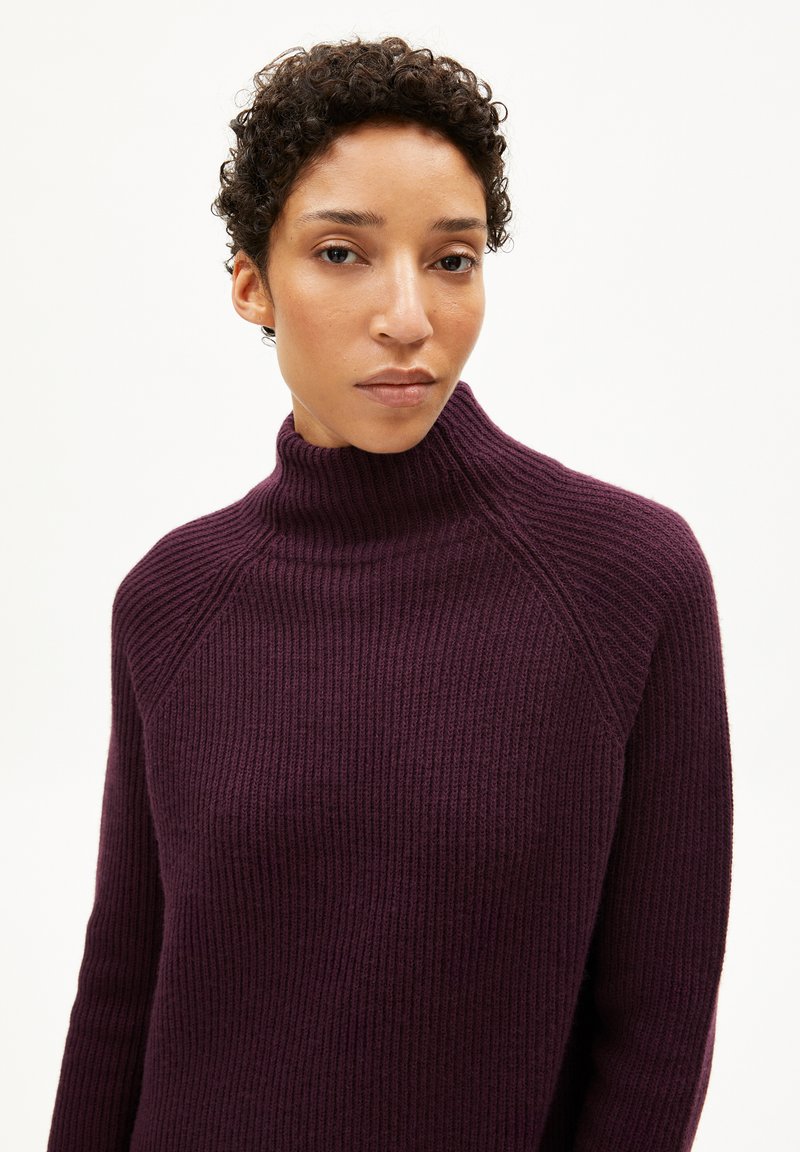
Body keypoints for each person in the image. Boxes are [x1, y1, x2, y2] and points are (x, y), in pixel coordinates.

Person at [46, 35, 733, 1152]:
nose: (408, 315)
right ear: (251, 284)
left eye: (452, 260)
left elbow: (656, 1032)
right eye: (342, 253)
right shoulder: (170, 603)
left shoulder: (626, 582)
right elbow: (121, 992)